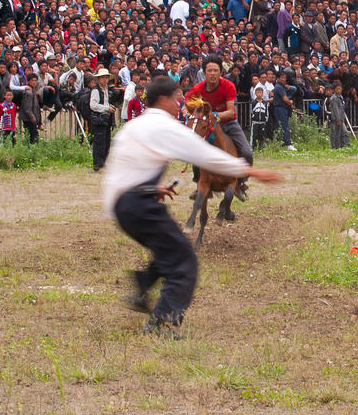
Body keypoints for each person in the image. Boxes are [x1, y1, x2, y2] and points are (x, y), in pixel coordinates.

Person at [104, 76, 281, 338]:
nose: (180, 106)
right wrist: (250, 170)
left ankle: (143, 285)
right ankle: (162, 323)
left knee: (168, 249)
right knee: (184, 260)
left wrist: (152, 189)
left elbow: (122, 168)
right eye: (177, 100)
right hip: (138, 204)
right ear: (163, 100)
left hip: (122, 206)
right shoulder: (164, 125)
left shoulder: (133, 127)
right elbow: (204, 154)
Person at [185, 56, 254, 198]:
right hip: (208, 126)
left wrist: (217, 115)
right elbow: (187, 103)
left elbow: (230, 111)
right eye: (209, 70)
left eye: (216, 70)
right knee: (196, 154)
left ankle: (240, 182)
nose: (212, 73)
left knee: (247, 153)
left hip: (228, 123)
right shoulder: (198, 88)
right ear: (204, 73)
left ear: (221, 72)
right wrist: (186, 110)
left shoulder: (228, 85)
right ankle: (199, 184)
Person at [88, 67, 114, 171]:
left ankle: (102, 162)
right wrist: (106, 108)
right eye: (102, 78)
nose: (104, 80)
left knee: (106, 142)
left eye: (106, 78)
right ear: (98, 79)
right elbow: (93, 105)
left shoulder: (106, 89)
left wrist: (108, 107)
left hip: (105, 118)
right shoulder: (96, 90)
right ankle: (97, 163)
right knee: (99, 142)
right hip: (99, 118)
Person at [327, 82, 349, 149]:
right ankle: (335, 147)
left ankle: (342, 145)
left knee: (341, 133)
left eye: (340, 89)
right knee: (335, 133)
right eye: (337, 89)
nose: (338, 90)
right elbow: (336, 110)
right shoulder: (334, 98)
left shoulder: (340, 97)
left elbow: (341, 109)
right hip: (335, 118)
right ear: (334, 90)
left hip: (340, 118)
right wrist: (338, 119)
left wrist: (342, 118)